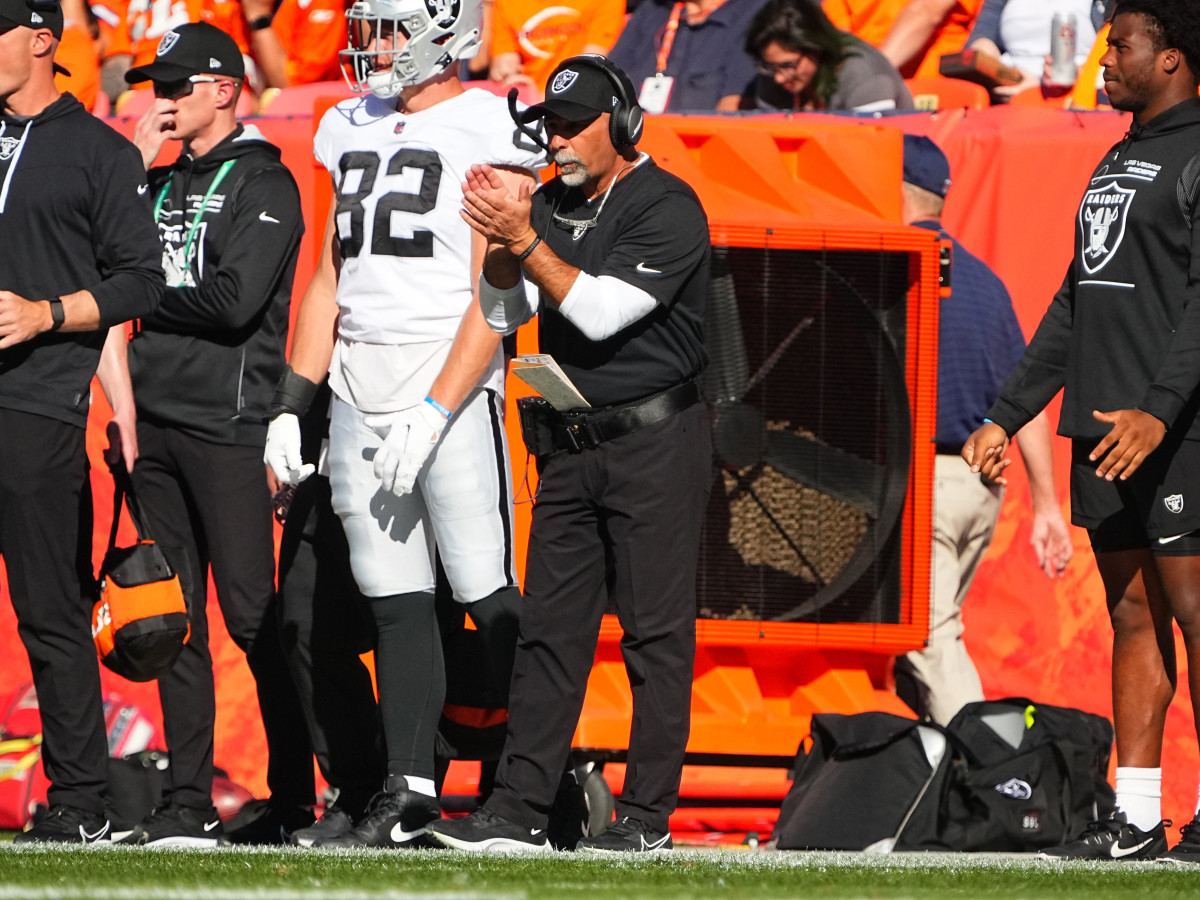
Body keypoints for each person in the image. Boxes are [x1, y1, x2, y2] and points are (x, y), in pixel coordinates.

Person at [263, 0, 543, 849]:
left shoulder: (497, 121)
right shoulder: (345, 122)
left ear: (448, 30)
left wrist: (438, 407)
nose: (373, 47)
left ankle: (535, 782)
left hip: (450, 379)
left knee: (484, 592)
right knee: (393, 598)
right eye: (370, 29)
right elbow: (327, 277)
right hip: (356, 383)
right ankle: (410, 790)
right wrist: (291, 403)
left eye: (390, 28)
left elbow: (505, 289)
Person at [426, 54, 712, 854]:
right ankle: (515, 808)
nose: (556, 139)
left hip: (656, 439)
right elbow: (504, 306)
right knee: (550, 631)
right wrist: (500, 241)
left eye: (573, 122)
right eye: (548, 124)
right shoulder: (547, 201)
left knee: (656, 637)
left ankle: (647, 816)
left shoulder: (668, 206)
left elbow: (598, 313)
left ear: (621, 124)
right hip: (569, 439)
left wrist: (523, 234)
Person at [962, 0, 1200, 862]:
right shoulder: (1116, 155)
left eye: (1123, 46)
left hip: (1178, 435)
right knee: (1133, 619)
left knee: (1196, 613)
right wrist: (1005, 412)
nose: (1106, 59)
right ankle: (1135, 819)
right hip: (1102, 431)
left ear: (1172, 59)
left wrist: (1159, 409)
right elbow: (1075, 296)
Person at [111, 21, 312, 847]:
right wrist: (132, 159)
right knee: (171, 618)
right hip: (154, 422)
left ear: (224, 88)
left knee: (253, 614)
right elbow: (101, 266)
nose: (159, 99)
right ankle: (187, 799)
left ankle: (301, 793)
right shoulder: (153, 180)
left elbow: (233, 303)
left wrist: (140, 297)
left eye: (174, 86)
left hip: (230, 426)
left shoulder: (265, 182)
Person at [0, 0, 163, 843]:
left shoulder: (96, 149)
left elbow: (141, 279)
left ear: (38, 39)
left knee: (49, 610)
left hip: (34, 401)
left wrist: (45, 314)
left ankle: (81, 802)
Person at [890, 135, 1072, 726]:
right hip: (977, 492)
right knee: (916, 646)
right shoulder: (985, 283)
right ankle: (940, 792)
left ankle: (995, 778)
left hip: (926, 489)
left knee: (928, 640)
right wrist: (1046, 509)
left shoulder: (890, 267)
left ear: (894, 191)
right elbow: (1029, 403)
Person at [744, 0, 914, 111]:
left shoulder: (863, 75)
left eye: (788, 66)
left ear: (816, 49)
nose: (779, 78)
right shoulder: (774, 70)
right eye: (770, 66)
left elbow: (874, 153)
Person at [607, 0, 769, 112]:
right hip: (634, 146)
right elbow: (607, 87)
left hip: (699, 149)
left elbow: (734, 109)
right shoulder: (653, 8)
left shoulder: (754, 12)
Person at [965, 0, 1105, 99]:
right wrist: (994, 72)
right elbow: (982, 38)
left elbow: (1113, 53)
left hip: (1072, 95)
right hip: (1007, 93)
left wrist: (1039, 87)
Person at [488, 0, 625, 96]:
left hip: (575, 98)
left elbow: (590, 70)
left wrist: (541, 98)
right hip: (525, 98)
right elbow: (503, 63)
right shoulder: (506, 3)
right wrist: (507, 74)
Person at [823, 0, 981, 80]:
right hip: (864, 99)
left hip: (933, 105)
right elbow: (836, 33)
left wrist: (870, 76)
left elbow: (927, 11)